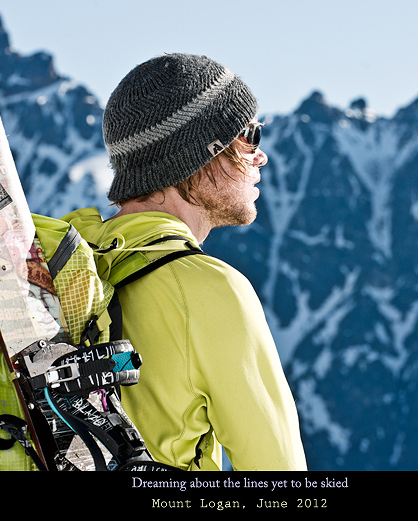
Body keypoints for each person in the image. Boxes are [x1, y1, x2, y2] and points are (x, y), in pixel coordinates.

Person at [64, 53, 306, 471]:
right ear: (200, 154)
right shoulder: (209, 291)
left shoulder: (66, 267)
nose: (260, 156)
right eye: (249, 135)